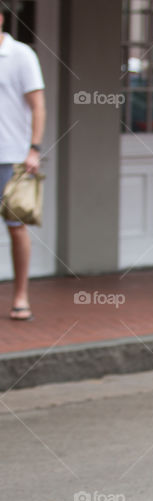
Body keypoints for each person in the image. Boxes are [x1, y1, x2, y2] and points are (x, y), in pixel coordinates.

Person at [0, 12, 45, 321]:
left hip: (12, 157)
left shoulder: (20, 55)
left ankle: (21, 296)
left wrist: (34, 148)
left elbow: (38, 105)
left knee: (17, 230)